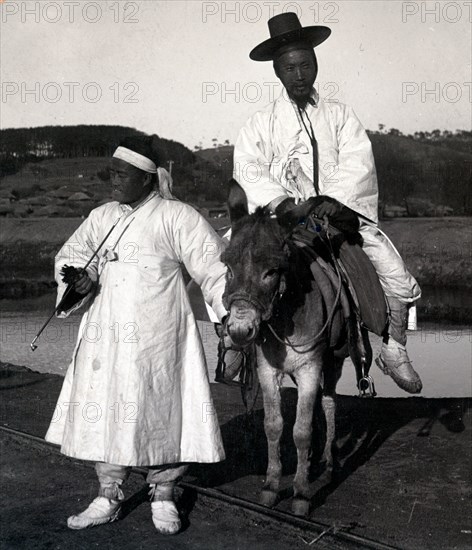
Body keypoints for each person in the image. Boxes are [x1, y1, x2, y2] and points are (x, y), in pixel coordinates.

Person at [45, 136, 228, 534]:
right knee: (109, 406)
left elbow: (214, 268)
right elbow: (72, 257)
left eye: (121, 174)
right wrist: (78, 280)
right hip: (106, 336)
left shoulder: (178, 217)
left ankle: (163, 492)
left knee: (163, 407)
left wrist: (231, 314)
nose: (113, 180)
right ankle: (108, 493)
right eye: (111, 172)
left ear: (147, 178)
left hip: (159, 337)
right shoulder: (101, 216)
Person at [233, 13, 422, 394]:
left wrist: (331, 202)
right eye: (290, 68)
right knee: (233, 259)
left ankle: (394, 347)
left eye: (306, 65)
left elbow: (357, 161)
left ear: (316, 65)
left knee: (396, 274)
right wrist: (283, 204)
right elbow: (249, 168)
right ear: (278, 72)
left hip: (337, 216)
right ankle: (232, 342)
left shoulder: (339, 116)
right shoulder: (260, 123)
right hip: (280, 221)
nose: (299, 74)